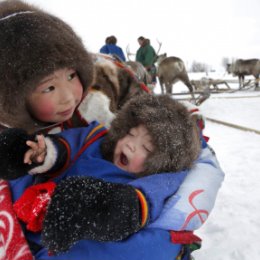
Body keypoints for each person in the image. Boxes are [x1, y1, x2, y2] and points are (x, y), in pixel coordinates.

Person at [0, 1, 224, 259]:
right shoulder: (97, 140)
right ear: (13, 99)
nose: (69, 99)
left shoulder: (111, 83)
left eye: (73, 76)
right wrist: (39, 153)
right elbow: (72, 145)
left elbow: (172, 156)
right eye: (48, 88)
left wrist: (117, 207)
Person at [1, 94, 207, 258]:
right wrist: (42, 153)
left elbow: (149, 200)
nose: (129, 144)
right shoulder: (96, 142)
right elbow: (68, 146)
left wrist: (111, 206)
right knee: (18, 169)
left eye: (145, 147)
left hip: (82, 233)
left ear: (162, 162)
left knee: (152, 245)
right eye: (130, 134)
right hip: (36, 208)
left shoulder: (157, 179)